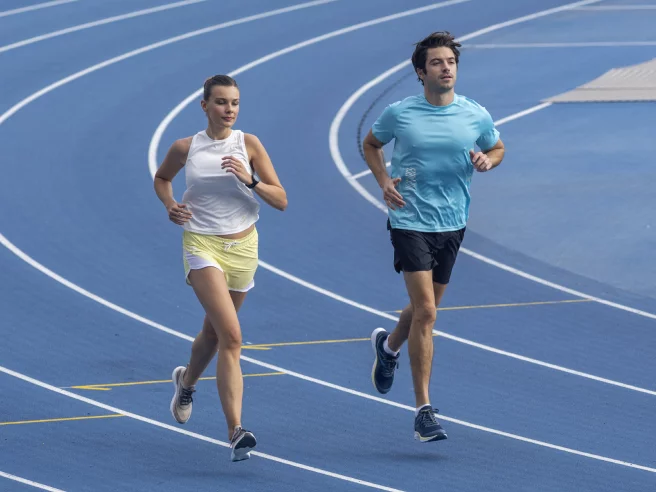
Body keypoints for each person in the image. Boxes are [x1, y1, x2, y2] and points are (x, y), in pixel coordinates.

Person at [362, 32, 505, 443]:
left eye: (451, 62)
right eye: (438, 62)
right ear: (421, 72)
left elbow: (497, 148)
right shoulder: (400, 113)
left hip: (453, 221)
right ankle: (423, 410)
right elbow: (372, 144)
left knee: (425, 309)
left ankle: (387, 349)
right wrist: (383, 179)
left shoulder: (474, 114)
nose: (447, 68)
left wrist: (487, 160)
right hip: (410, 218)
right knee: (427, 312)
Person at [154, 74, 287, 461]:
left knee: (212, 335)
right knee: (231, 335)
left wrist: (250, 180)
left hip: (244, 247)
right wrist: (169, 205)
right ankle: (236, 431)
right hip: (201, 244)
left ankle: (186, 382)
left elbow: (281, 200)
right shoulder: (186, 147)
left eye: (235, 103)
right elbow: (162, 178)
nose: (229, 110)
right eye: (221, 102)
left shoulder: (249, 145)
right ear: (204, 105)